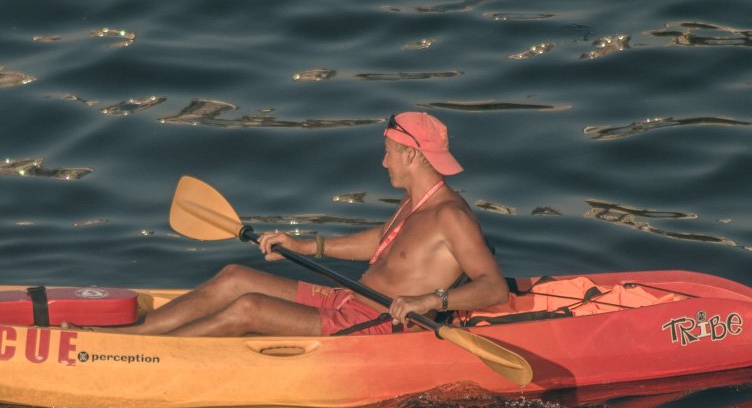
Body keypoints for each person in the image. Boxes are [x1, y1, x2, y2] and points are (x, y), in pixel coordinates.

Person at [117, 111, 509, 337]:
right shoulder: (414, 203)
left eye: (389, 152)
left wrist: (429, 302)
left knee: (249, 307)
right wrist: (306, 246)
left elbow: (492, 289)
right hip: (348, 299)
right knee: (236, 276)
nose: (383, 161)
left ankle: (149, 356)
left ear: (410, 155)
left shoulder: (451, 216)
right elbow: (382, 241)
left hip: (373, 326)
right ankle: (135, 337)